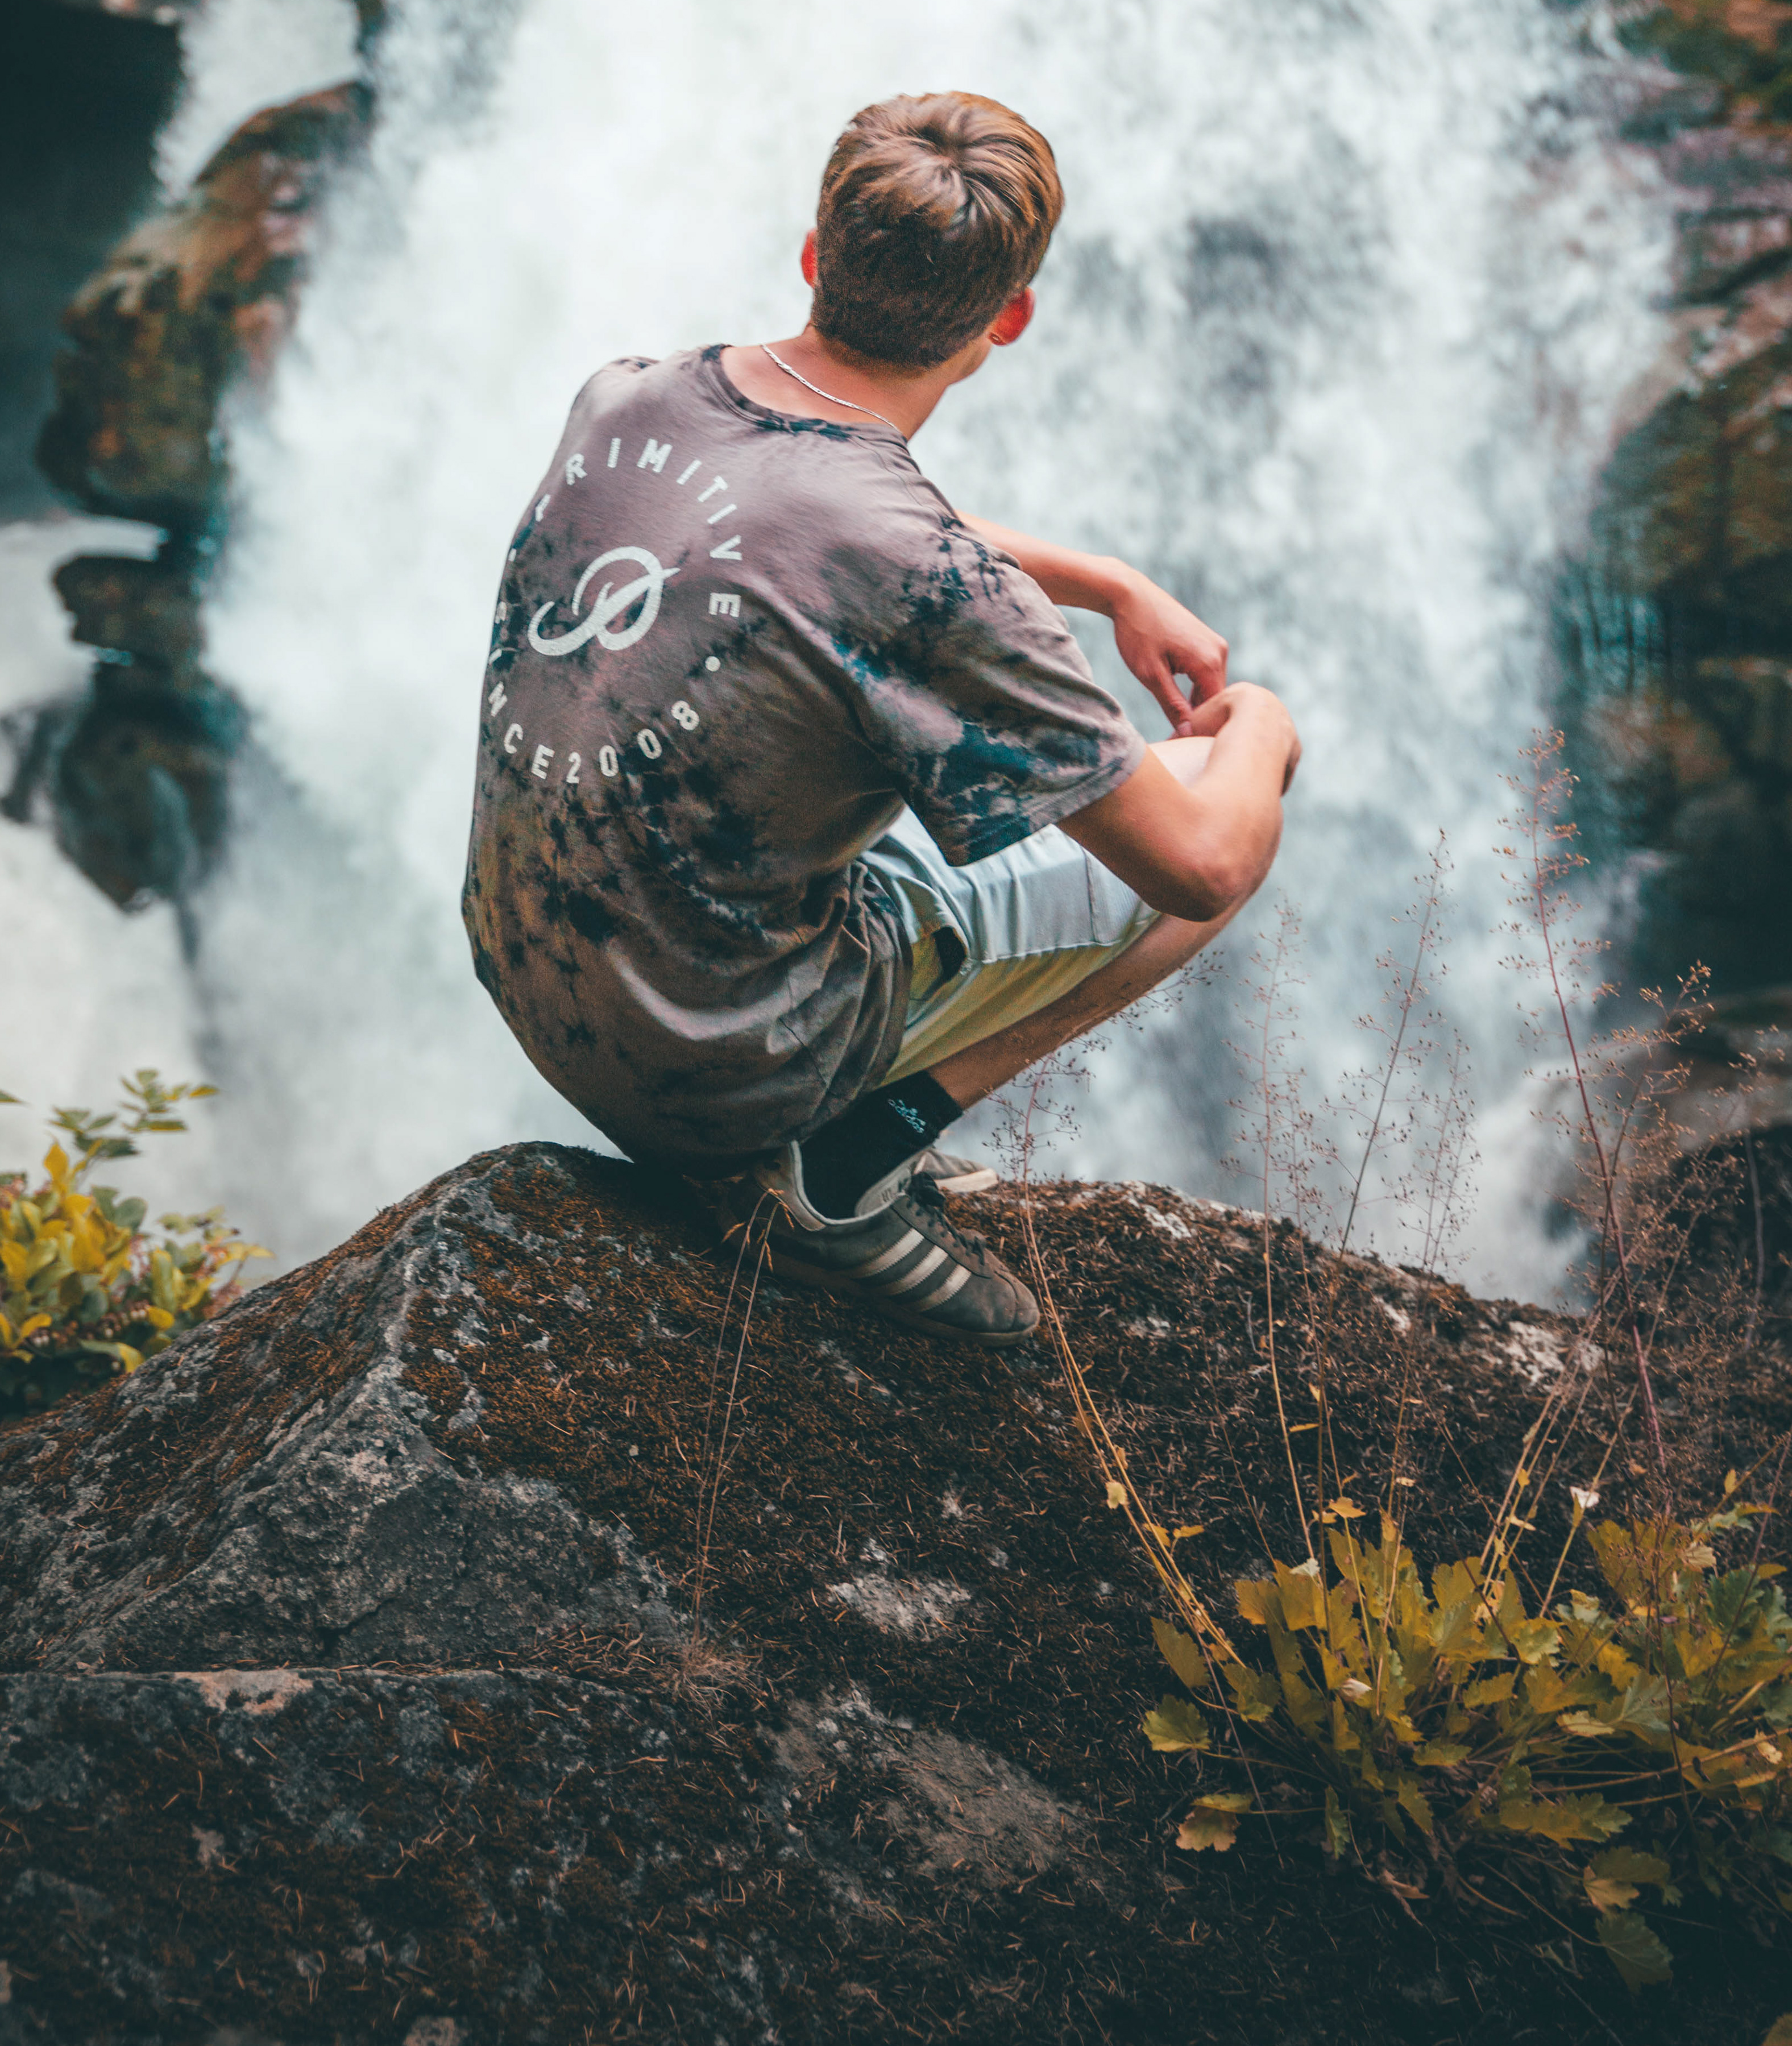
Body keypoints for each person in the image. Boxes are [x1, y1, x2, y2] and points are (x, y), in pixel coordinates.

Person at [462, 92, 1300, 1346]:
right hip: (713, 1064)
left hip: (536, 976)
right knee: (1221, 811)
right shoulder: (930, 587)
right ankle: (845, 1171)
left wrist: (1108, 581)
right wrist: (1267, 725)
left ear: (816, 257)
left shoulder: (626, 397)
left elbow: (790, 517)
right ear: (1008, 317)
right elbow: (1198, 863)